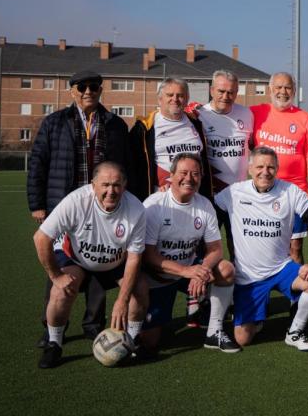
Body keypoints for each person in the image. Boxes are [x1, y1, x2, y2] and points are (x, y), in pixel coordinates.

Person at [28, 69, 130, 346]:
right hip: (63, 205)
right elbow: (38, 163)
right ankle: (51, 325)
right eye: (82, 87)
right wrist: (37, 204)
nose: (88, 92)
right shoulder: (54, 122)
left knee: (98, 261)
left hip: (103, 207)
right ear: (71, 90)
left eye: (94, 86)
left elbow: (124, 165)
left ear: (101, 89)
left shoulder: (115, 124)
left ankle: (93, 323)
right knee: (60, 265)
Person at [33, 162, 148, 369]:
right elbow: (41, 238)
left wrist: (121, 301)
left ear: (125, 185)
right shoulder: (76, 201)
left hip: (116, 262)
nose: (110, 191)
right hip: (77, 259)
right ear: (93, 184)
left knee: (139, 289)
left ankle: (132, 341)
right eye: (105, 185)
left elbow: (134, 258)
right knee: (61, 292)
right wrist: (55, 276)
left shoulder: (136, 209)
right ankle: (54, 343)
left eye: (116, 185)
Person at [214, 147, 308, 351]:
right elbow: (209, 218)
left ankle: (295, 332)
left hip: (280, 269)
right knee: (242, 339)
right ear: (250, 168)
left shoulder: (290, 191)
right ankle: (258, 313)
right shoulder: (233, 193)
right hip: (247, 276)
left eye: (270, 167)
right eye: (259, 167)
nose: (264, 172)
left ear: (277, 169)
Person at [140, 153, 238, 354]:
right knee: (149, 342)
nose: (190, 178)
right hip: (158, 277)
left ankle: (214, 332)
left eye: (196, 174)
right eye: (184, 173)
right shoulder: (154, 205)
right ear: (171, 175)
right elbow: (148, 255)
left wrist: (201, 270)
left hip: (189, 270)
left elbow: (215, 249)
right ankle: (182, 309)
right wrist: (187, 271)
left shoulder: (204, 204)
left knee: (226, 269)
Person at [250, 72, 308, 264]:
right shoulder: (255, 112)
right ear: (270, 89)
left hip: (295, 192)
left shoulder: (304, 118)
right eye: (278, 87)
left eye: (288, 87)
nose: (283, 92)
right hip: (263, 193)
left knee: (295, 247)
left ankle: (296, 293)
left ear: (294, 91)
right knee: (263, 246)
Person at [129, 77, 213, 201]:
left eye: (180, 95)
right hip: (159, 199)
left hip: (194, 198)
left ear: (186, 99)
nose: (175, 99)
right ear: (160, 99)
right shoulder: (144, 128)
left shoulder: (196, 123)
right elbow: (133, 168)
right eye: (170, 95)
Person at [194, 70, 253, 195]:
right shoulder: (199, 115)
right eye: (221, 91)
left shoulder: (247, 114)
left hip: (240, 191)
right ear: (212, 91)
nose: (225, 97)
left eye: (230, 92)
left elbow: (252, 144)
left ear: (237, 93)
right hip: (212, 191)